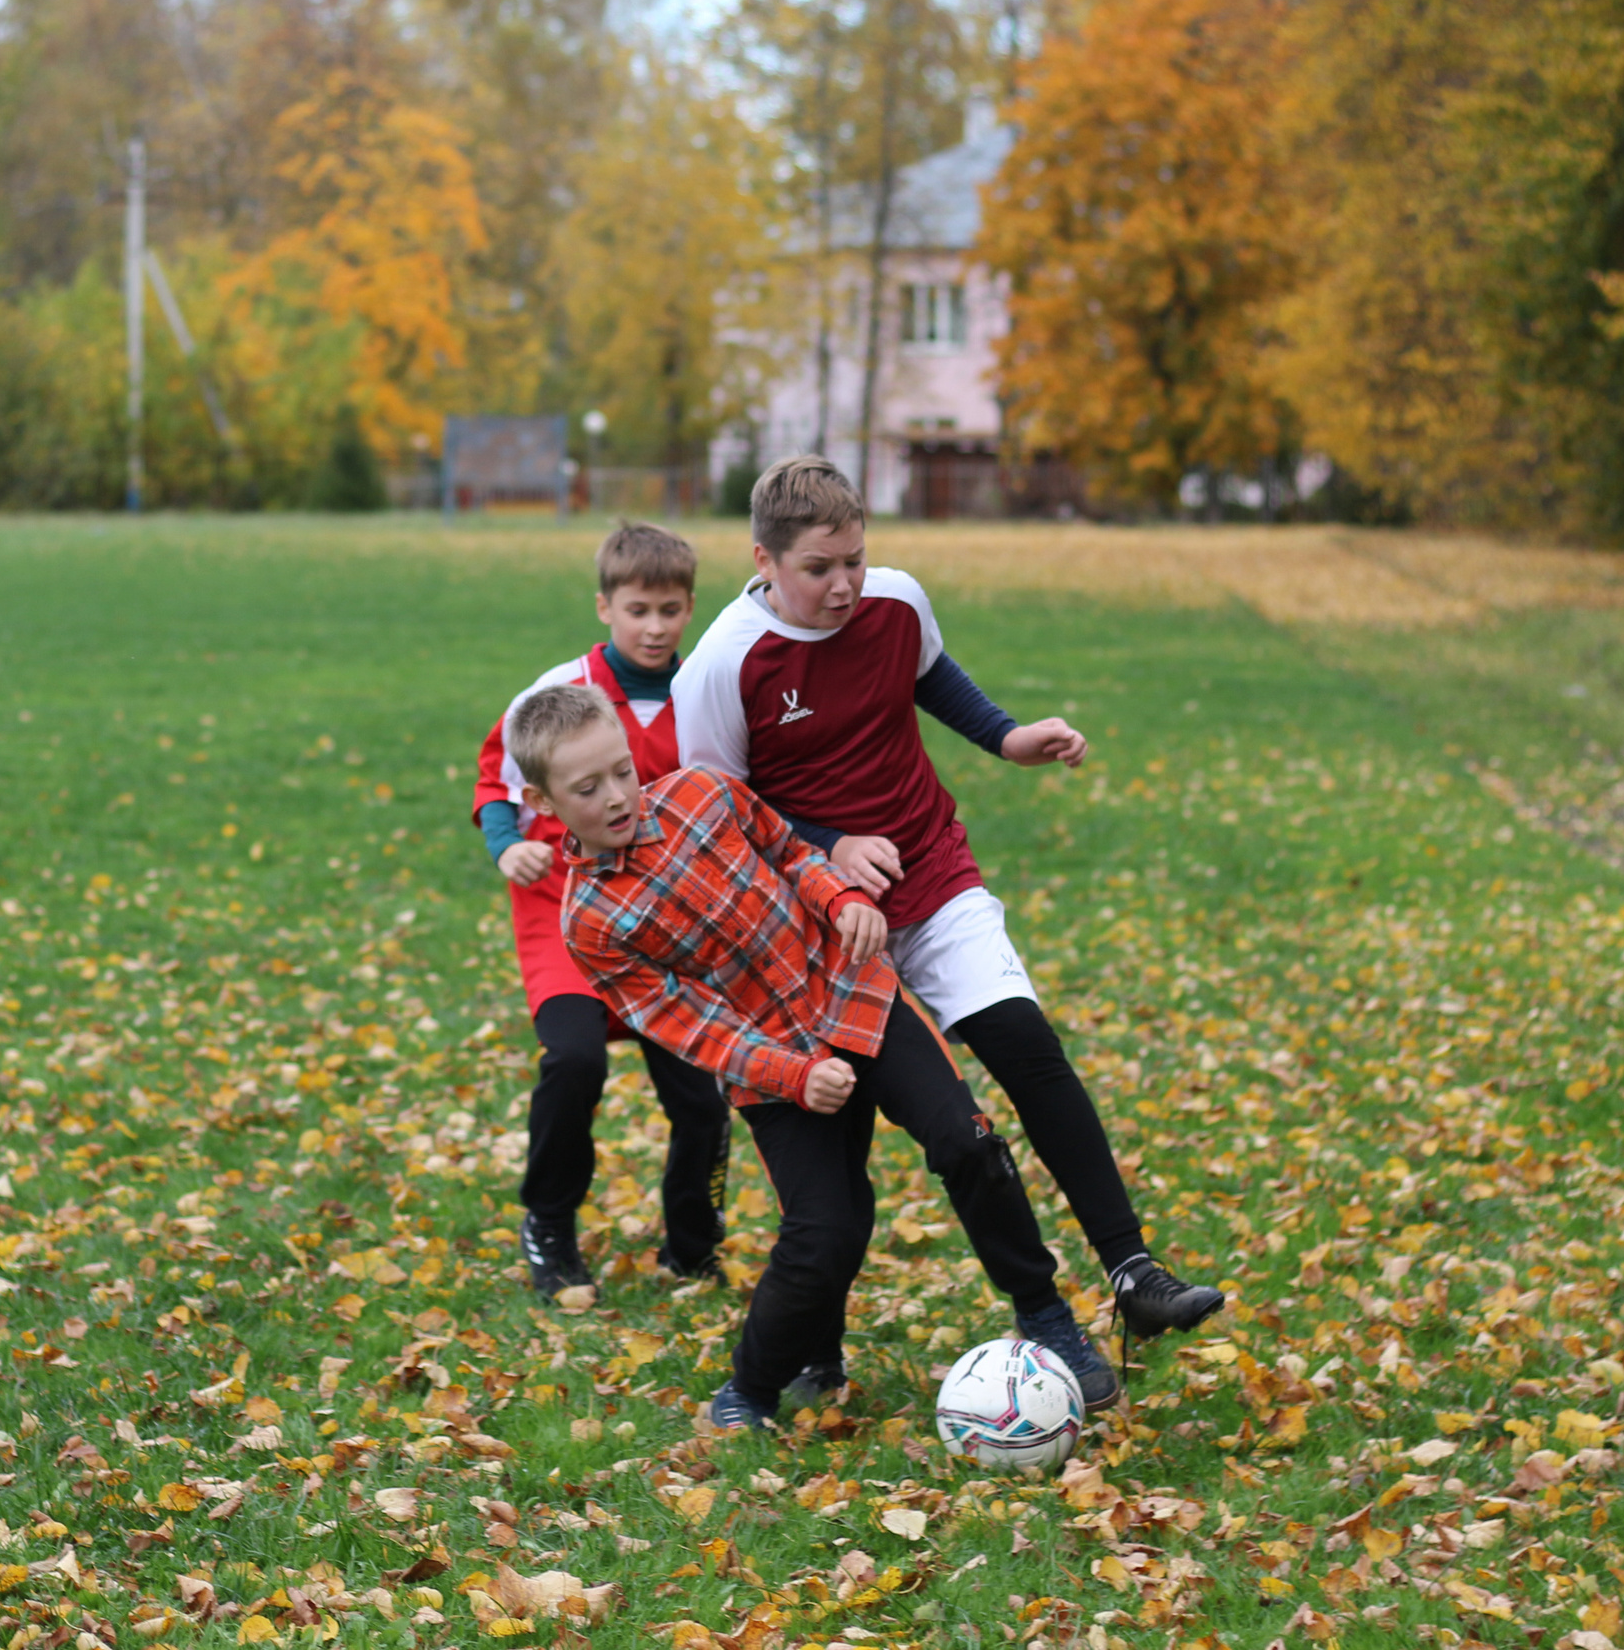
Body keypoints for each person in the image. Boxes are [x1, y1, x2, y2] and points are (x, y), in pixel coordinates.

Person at [672, 456, 1223, 1410]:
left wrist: (1009, 737)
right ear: (762, 559)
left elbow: (933, 678)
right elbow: (718, 822)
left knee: (1024, 1042)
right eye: (819, 567)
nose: (845, 582)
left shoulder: (894, 602)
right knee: (843, 1152)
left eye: (857, 556)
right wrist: (831, 849)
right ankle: (814, 1346)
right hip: (819, 928)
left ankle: (1133, 1272)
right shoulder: (723, 664)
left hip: (930, 869)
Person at [510, 680, 1074, 1430]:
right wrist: (795, 1076)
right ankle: (753, 1386)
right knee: (826, 1229)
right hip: (772, 1067)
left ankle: (1042, 1309)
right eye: (588, 787)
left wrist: (840, 898)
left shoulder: (705, 792)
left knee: (966, 1141)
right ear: (546, 805)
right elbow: (690, 1026)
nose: (618, 795)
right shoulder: (591, 921)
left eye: (623, 770)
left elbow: (788, 848)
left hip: (855, 994)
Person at [471, 522, 732, 1298]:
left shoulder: (706, 699)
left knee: (703, 1090)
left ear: (690, 609)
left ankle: (693, 1244)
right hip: (564, 910)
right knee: (575, 1060)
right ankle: (548, 1224)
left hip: (664, 926)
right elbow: (496, 780)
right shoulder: (559, 693)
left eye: (670, 609)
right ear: (605, 607)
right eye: (638, 609)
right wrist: (505, 845)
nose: (654, 627)